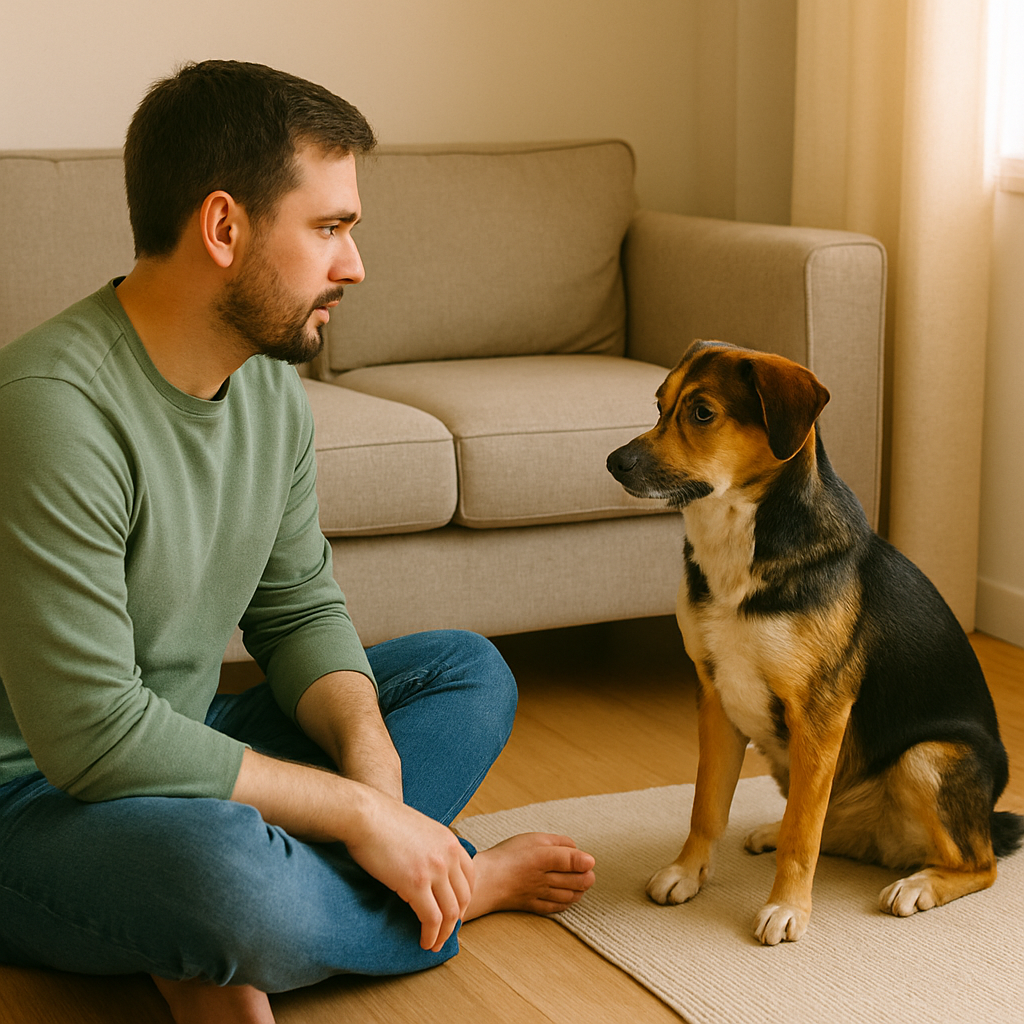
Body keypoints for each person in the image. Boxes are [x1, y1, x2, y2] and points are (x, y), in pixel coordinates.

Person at [0, 60, 595, 1024]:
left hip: (180, 751)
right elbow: (92, 735)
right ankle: (446, 894)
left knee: (465, 674)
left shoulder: (268, 386)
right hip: (31, 803)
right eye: (329, 228)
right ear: (224, 227)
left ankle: (224, 937)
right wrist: (366, 819)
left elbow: (299, 609)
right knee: (229, 883)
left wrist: (374, 775)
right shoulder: (50, 411)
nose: (354, 265)